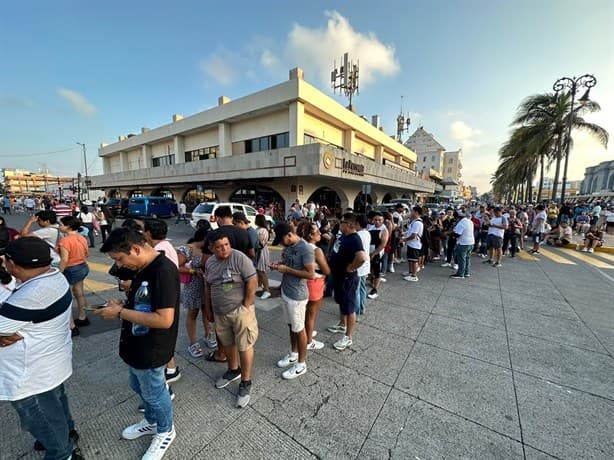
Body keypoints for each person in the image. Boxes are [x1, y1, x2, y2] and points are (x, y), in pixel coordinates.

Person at [96, 227, 180, 460]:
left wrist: (120, 312)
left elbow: (164, 319)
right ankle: (152, 422)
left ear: (135, 249)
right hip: (136, 343)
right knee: (138, 386)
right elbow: (145, 302)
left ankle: (166, 430)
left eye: (120, 259)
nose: (120, 265)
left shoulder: (162, 271)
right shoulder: (143, 268)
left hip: (152, 347)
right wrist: (123, 304)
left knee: (154, 393)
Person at [1, 237, 83, 460]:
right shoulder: (54, 275)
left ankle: (62, 453)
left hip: (29, 374)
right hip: (50, 362)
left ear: (12, 263)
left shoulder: (32, 294)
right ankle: (67, 434)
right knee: (55, 403)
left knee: (39, 415)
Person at [204, 232, 258, 407]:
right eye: (219, 246)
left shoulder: (239, 257)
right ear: (211, 248)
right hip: (220, 313)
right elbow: (208, 286)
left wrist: (246, 306)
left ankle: (246, 381)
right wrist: (209, 309)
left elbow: (252, 281)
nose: (224, 249)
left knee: (244, 345)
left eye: (226, 244)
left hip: (240, 311)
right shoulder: (211, 262)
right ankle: (233, 370)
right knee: (227, 344)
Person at [271, 222, 315, 379]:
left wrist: (287, 270)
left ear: (289, 234)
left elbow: (310, 274)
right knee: (291, 327)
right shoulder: (289, 247)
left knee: (299, 329)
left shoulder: (306, 249)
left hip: (297, 295)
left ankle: (301, 364)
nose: (282, 244)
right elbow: (288, 264)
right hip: (286, 292)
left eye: (282, 240)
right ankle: (293, 353)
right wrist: (279, 265)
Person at [327, 214, 367, 351]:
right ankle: (342, 324)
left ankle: (348, 337)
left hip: (347, 278)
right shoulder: (344, 235)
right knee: (341, 301)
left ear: (350, 225)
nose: (339, 224)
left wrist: (351, 267)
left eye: (341, 222)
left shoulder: (354, 239)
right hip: (338, 275)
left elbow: (362, 257)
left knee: (349, 306)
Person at [296, 220, 330, 350]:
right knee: (311, 315)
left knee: (306, 313)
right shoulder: (316, 250)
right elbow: (326, 270)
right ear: (310, 235)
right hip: (315, 282)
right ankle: (309, 341)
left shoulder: (299, 245)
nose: (320, 233)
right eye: (317, 232)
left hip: (303, 282)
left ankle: (307, 333)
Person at [176, 228, 207, 358]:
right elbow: (176, 266)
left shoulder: (207, 249)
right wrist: (193, 271)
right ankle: (193, 343)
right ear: (203, 239)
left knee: (207, 311)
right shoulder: (187, 249)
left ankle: (208, 334)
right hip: (193, 286)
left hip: (206, 286)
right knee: (193, 314)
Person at [58, 215, 90, 336]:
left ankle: (71, 326)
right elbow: (87, 253)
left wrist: (59, 273)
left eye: (61, 224)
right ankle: (83, 317)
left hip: (70, 268)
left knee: (66, 297)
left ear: (68, 227)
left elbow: (64, 260)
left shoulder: (64, 241)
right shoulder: (81, 238)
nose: (59, 226)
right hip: (83, 266)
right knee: (79, 292)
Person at [366, 212, 388, 300]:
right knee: (371, 268)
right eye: (375, 220)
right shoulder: (371, 227)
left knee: (376, 269)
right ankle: (372, 281)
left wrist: (374, 253)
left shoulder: (384, 230)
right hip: (369, 251)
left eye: (379, 220)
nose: (377, 221)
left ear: (383, 221)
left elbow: (383, 244)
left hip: (377, 252)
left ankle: (375, 289)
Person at [450, 210, 475, 279]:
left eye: (455, 219)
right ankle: (466, 272)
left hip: (463, 243)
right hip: (471, 242)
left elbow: (457, 234)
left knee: (461, 258)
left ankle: (460, 274)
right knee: (467, 258)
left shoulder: (461, 223)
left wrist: (451, 234)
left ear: (457, 217)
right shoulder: (469, 221)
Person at [354, 214, 371, 319]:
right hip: (365, 266)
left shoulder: (357, 235)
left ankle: (356, 313)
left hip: (358, 266)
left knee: (356, 291)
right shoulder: (367, 233)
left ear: (358, 223)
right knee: (362, 288)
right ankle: (362, 307)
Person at [402, 206, 424, 282]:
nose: (410, 213)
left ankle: (414, 275)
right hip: (411, 244)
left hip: (415, 244)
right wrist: (404, 234)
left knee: (414, 260)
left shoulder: (418, 223)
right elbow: (410, 232)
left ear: (416, 212)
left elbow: (414, 235)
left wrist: (405, 239)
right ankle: (410, 272)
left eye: (412, 211)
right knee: (410, 259)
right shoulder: (414, 221)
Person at [254, 214, 272, 300]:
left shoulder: (263, 230)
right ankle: (259, 286)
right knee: (258, 270)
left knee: (261, 271)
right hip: (258, 252)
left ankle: (267, 290)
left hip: (261, 252)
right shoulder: (258, 229)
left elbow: (261, 243)